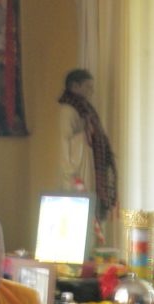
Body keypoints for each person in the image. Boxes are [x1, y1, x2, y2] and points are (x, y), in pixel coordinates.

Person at [57, 68, 118, 222]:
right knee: (79, 214)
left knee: (92, 210)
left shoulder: (85, 109)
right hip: (77, 170)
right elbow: (65, 142)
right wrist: (86, 133)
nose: (91, 91)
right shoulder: (68, 110)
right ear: (75, 86)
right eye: (88, 87)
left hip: (89, 164)